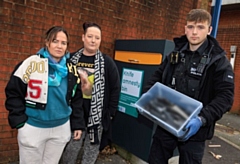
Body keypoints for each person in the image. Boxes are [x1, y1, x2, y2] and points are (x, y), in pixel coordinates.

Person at [143, 9, 234, 164]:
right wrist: (147, 96)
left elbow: (225, 97)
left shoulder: (218, 61)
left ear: (209, 30)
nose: (194, 32)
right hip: (168, 120)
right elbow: (157, 77)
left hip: (196, 129)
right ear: (185, 28)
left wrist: (202, 118)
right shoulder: (176, 53)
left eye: (200, 27)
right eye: (191, 27)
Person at [5, 26, 85, 164]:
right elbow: (13, 92)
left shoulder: (71, 69)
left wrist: (77, 124)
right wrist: (19, 121)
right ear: (47, 42)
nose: (59, 46)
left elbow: (76, 98)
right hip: (33, 127)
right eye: (55, 41)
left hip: (60, 128)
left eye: (63, 43)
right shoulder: (30, 63)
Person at [60, 22, 121, 164]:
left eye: (97, 38)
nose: (93, 40)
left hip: (97, 116)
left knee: (91, 151)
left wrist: (110, 114)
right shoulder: (70, 59)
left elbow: (115, 89)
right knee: (71, 148)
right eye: (90, 36)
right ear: (83, 37)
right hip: (74, 113)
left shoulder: (107, 62)